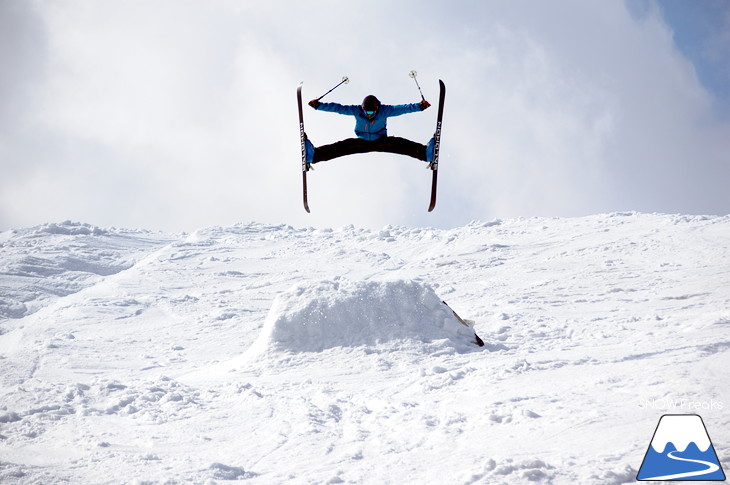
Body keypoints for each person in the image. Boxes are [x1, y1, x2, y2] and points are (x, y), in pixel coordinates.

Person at [305, 95, 435, 164]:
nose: (369, 114)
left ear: (378, 109)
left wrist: (420, 106)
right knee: (341, 147)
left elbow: (403, 108)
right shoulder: (357, 111)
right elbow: (338, 108)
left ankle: (425, 153)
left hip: (380, 140)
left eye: (372, 111)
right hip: (362, 141)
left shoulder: (385, 111)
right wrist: (319, 106)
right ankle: (314, 155)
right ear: (362, 108)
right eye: (366, 111)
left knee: (400, 144)